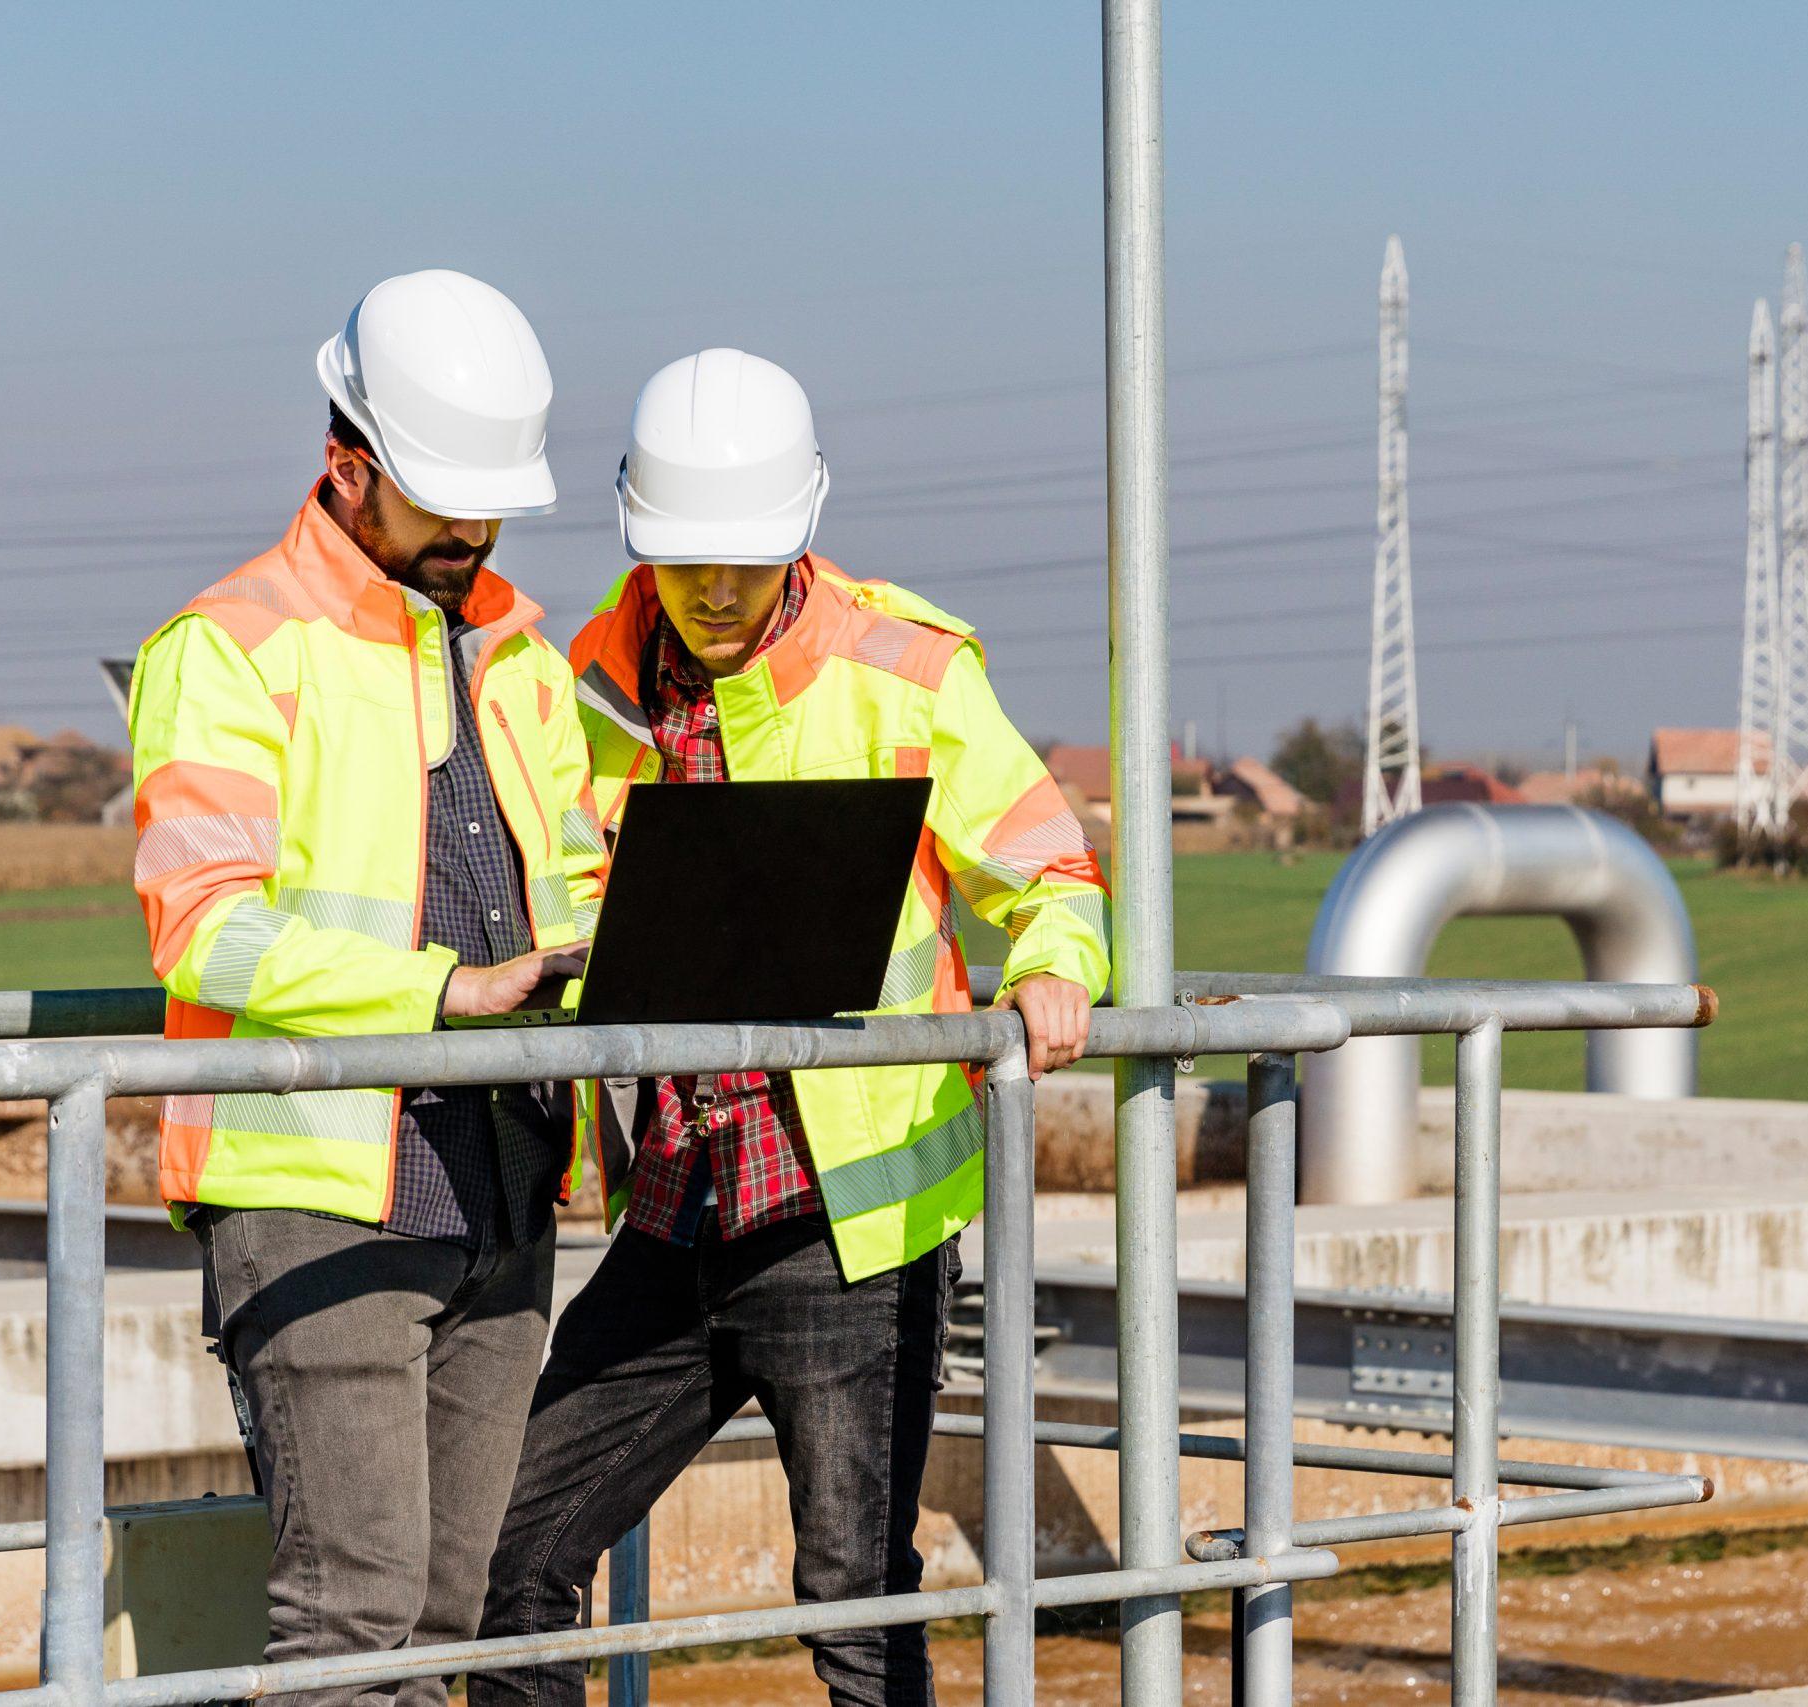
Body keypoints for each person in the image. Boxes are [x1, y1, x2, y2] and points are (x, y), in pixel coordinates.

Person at [471, 349, 1111, 1707]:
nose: (712, 592)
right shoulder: (579, 675)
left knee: (855, 1613)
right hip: (672, 1213)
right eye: (685, 560)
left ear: (802, 531)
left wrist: (1056, 969)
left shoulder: (905, 667)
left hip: (850, 1226)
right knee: (508, 1566)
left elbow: (1048, 869)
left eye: (743, 563)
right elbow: (561, 880)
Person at [123, 269, 605, 1707]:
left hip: (506, 1181)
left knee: (453, 1623)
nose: (473, 533)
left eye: (489, 503)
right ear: (349, 463)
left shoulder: (522, 653)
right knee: (355, 1627)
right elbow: (203, 927)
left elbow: (570, 877)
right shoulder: (227, 648)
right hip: (321, 1190)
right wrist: (443, 995)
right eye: (445, 502)